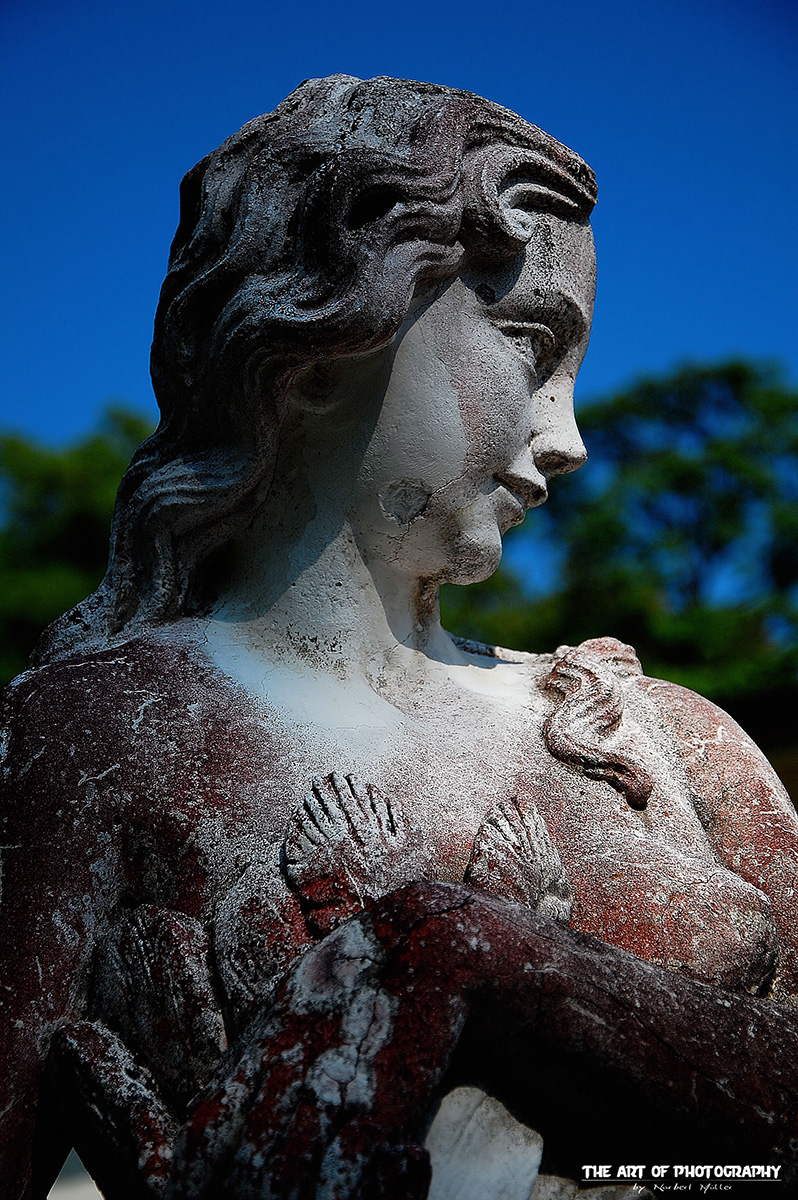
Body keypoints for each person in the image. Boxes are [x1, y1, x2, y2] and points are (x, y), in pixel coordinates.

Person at [3, 75, 798, 1199]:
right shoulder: (97, 737)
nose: (568, 437)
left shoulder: (662, 732)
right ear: (322, 334)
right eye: (529, 341)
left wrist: (482, 960)